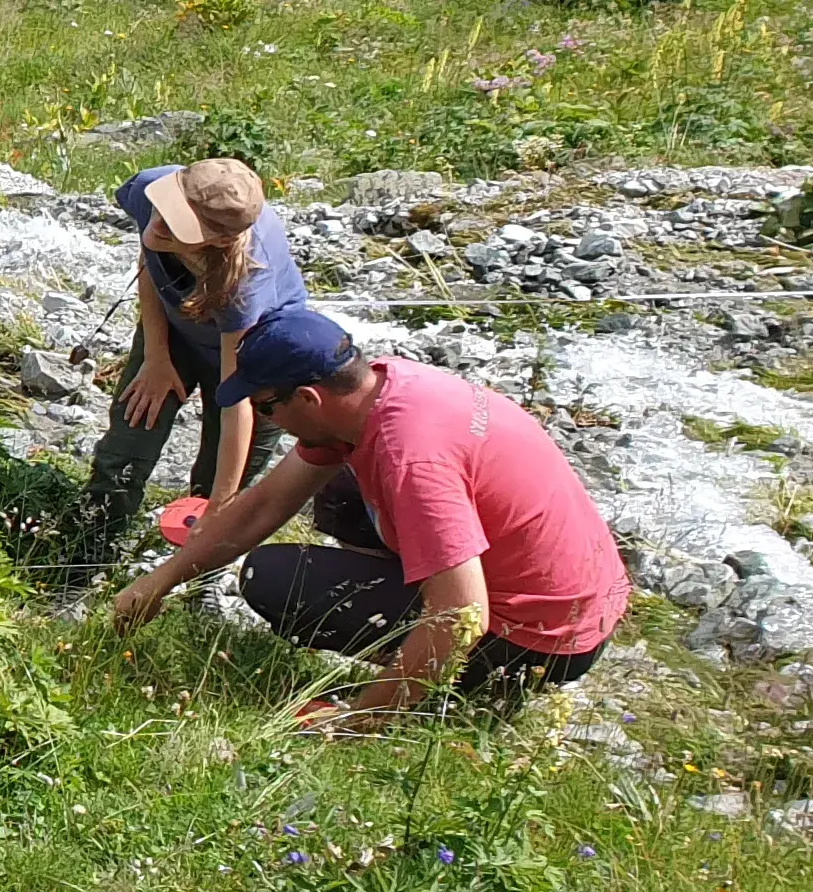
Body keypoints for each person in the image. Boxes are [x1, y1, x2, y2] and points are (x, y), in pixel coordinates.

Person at [111, 306, 634, 724]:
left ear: (310, 398)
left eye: (267, 407)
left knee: (272, 578)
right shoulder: (384, 389)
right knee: (338, 487)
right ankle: (412, 632)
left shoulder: (413, 461)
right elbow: (267, 503)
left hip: (541, 642)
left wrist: (357, 720)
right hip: (571, 602)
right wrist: (160, 582)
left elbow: (461, 617)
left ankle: (458, 691)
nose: (265, 418)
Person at [78, 154, 307, 554]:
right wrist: (156, 357)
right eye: (165, 211)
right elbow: (150, 262)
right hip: (177, 331)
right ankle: (91, 546)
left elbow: (237, 400)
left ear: (217, 241)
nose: (160, 224)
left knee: (218, 481)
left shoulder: (247, 280)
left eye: (178, 227)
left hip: (258, 361)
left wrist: (219, 504)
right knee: (128, 442)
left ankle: (195, 566)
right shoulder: (153, 188)